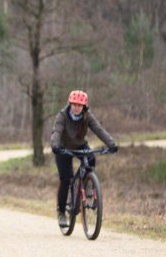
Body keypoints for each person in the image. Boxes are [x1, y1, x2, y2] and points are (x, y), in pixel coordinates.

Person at [50, 90, 118, 228]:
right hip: (63, 148)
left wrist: (111, 144)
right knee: (66, 179)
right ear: (70, 104)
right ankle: (62, 212)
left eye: (79, 105)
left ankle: (88, 184)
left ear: (84, 107)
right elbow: (56, 132)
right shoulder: (62, 116)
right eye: (74, 105)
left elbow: (99, 129)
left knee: (91, 159)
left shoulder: (87, 117)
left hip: (80, 145)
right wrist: (55, 145)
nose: (76, 108)